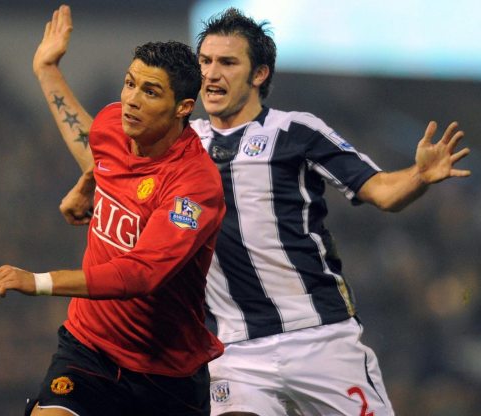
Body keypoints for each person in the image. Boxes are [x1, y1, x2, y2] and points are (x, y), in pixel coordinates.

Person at [32, 5, 471, 416]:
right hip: (236, 351)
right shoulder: (180, 143)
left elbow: (382, 191)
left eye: (227, 63)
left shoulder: (296, 131)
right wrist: (50, 76)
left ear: (259, 73)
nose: (211, 74)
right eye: (204, 62)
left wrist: (418, 175)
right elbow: (103, 148)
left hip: (320, 337)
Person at [0, 24, 228, 415]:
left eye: (150, 92)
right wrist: (47, 70)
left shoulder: (195, 186)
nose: (131, 100)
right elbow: (96, 146)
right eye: (129, 83)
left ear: (183, 106)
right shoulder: (114, 122)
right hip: (89, 350)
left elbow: (140, 274)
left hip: (165, 376)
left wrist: (38, 281)